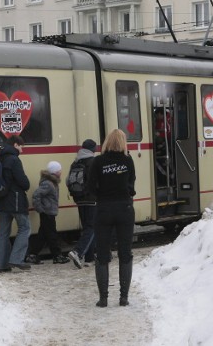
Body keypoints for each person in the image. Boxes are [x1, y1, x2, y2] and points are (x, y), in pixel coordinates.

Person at [86, 129, 136, 307]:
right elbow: (132, 185)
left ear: (106, 141)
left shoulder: (98, 161)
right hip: (125, 209)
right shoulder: (128, 160)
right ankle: (124, 297)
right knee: (125, 253)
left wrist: (102, 195)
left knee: (102, 254)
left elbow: (90, 186)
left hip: (104, 209)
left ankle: (103, 298)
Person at [0, 135, 32, 273]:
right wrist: (27, 183)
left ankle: (2, 265)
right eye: (21, 147)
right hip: (15, 200)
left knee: (3, 233)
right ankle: (16, 259)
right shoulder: (14, 160)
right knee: (25, 228)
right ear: (16, 145)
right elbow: (23, 182)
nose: (22, 150)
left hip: (0, 200)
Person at [25, 161, 69, 264]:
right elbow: (36, 195)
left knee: (43, 235)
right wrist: (40, 209)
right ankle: (57, 256)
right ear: (55, 172)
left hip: (49, 212)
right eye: (59, 170)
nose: (61, 172)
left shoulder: (52, 182)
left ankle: (32, 255)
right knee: (52, 235)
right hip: (47, 213)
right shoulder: (48, 184)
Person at [67, 139, 97, 269]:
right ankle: (78, 252)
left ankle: (89, 258)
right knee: (92, 227)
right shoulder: (93, 161)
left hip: (79, 199)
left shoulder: (75, 162)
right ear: (92, 149)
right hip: (92, 199)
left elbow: (68, 181)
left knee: (87, 228)